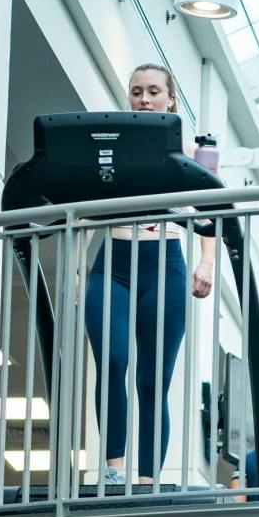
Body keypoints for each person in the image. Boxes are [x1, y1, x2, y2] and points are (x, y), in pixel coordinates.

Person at [85, 62, 219, 489]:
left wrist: (206, 263)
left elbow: (211, 213)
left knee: (152, 380)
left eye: (154, 91)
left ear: (170, 99)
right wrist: (74, 271)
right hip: (113, 263)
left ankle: (147, 480)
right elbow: (82, 207)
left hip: (165, 265)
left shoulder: (189, 154)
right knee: (112, 359)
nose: (144, 99)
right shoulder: (111, 148)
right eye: (137, 91)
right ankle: (114, 466)